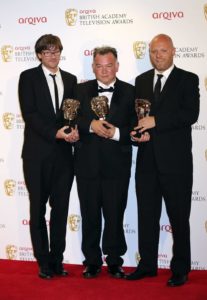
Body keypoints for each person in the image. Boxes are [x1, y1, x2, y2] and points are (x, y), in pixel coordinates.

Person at [125, 34, 200, 286]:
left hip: (176, 164)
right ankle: (147, 265)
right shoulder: (141, 80)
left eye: (163, 51)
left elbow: (190, 114)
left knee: (179, 217)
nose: (158, 55)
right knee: (146, 216)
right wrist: (137, 134)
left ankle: (180, 268)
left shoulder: (188, 79)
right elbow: (137, 117)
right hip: (147, 162)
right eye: (154, 51)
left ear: (173, 51)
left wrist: (156, 121)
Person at [18, 34, 78, 279]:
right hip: (37, 155)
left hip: (64, 156)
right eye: (47, 51)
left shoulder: (72, 79)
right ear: (39, 54)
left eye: (56, 51)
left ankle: (57, 259)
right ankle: (43, 261)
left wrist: (73, 133)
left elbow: (74, 114)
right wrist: (55, 133)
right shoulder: (28, 78)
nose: (53, 55)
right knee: (37, 209)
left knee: (61, 209)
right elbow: (30, 114)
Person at [74, 46, 137, 279]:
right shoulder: (80, 89)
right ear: (93, 67)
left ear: (117, 66)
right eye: (99, 66)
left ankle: (114, 261)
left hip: (117, 168)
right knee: (90, 215)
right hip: (86, 166)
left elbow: (136, 124)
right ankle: (91, 262)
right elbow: (68, 118)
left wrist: (117, 133)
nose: (104, 70)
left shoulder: (131, 92)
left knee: (114, 216)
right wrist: (90, 125)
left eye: (109, 65)